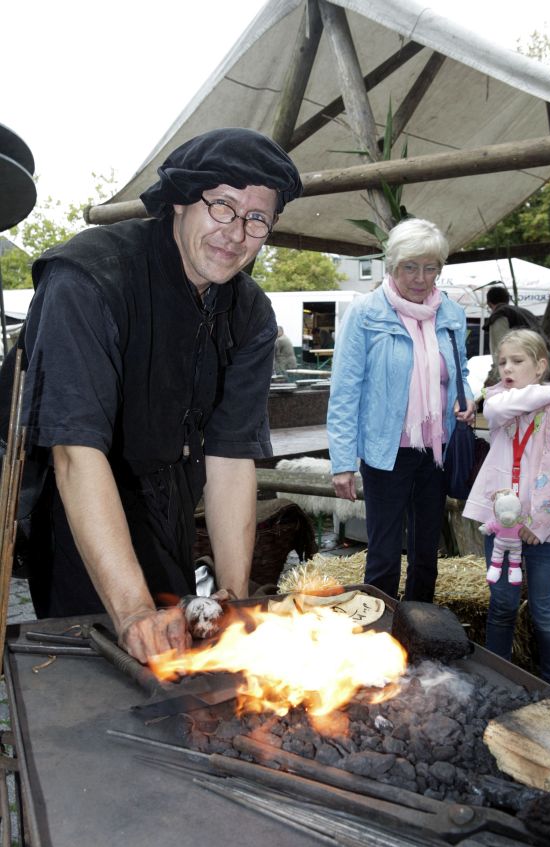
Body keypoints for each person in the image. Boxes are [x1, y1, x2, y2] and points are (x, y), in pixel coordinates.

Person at [3, 127, 302, 663]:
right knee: (100, 657)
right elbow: (75, 452)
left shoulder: (250, 313)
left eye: (257, 218)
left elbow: (231, 455)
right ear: (180, 200)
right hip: (71, 494)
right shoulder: (88, 277)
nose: (236, 233)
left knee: (184, 644)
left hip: (168, 496)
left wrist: (233, 597)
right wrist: (133, 612)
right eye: (222, 206)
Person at [328, 218, 475, 603]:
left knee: (426, 554)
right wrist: (342, 462)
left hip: (436, 451)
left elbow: (459, 372)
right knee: (384, 555)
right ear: (392, 265)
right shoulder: (365, 313)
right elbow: (344, 391)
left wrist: (467, 398)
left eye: (430, 268)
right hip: (385, 451)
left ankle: (420, 628)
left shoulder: (450, 314)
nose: (421, 278)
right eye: (410, 267)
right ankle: (379, 626)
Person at [463, 329, 550, 691]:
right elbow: (495, 408)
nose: (507, 368)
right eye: (502, 362)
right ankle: (498, 682)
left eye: (517, 361)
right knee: (502, 606)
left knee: (544, 611)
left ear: (540, 366)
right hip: (502, 523)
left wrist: (540, 523)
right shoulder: (499, 401)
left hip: (546, 529)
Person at [483, 283, 544, 386]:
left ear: (489, 303)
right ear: (507, 300)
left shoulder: (499, 316)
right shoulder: (526, 313)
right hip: (540, 368)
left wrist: (493, 378)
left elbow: (500, 351)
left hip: (521, 376)